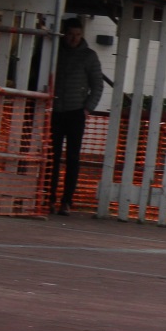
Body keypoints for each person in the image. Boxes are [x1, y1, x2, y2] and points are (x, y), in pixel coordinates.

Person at [50, 18, 104, 215]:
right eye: (71, 34)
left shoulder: (89, 57)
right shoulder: (55, 53)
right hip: (55, 110)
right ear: (64, 34)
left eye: (78, 35)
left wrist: (87, 108)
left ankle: (67, 201)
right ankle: (50, 198)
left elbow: (97, 84)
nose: (74, 39)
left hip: (75, 112)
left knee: (73, 157)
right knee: (51, 156)